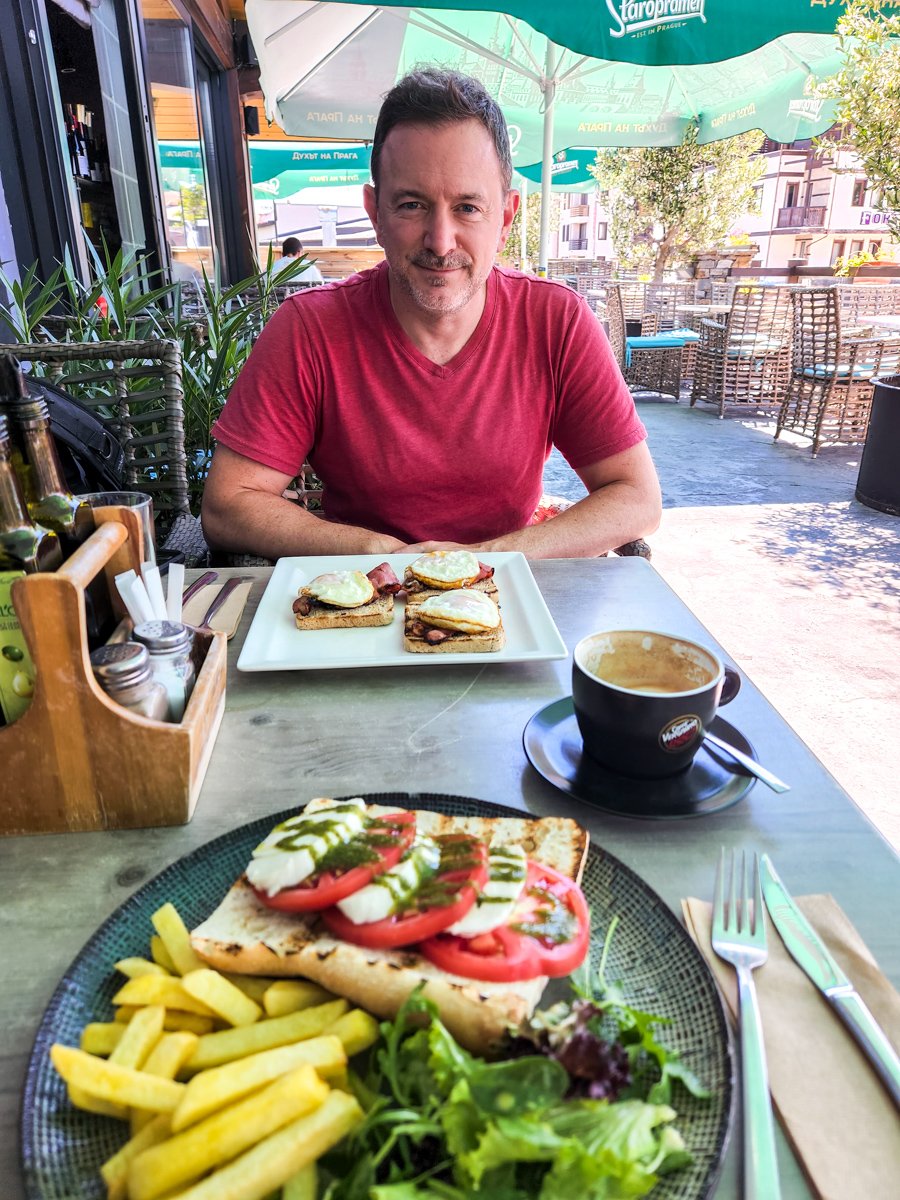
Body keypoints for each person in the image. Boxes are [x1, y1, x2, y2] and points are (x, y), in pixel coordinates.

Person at [202, 68, 661, 559]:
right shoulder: (309, 329)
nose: (440, 242)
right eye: (412, 204)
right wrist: (384, 555)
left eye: (467, 207)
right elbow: (228, 504)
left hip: (512, 604)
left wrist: (489, 561)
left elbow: (637, 498)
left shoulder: (556, 321)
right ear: (375, 212)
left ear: (505, 218)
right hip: (362, 601)